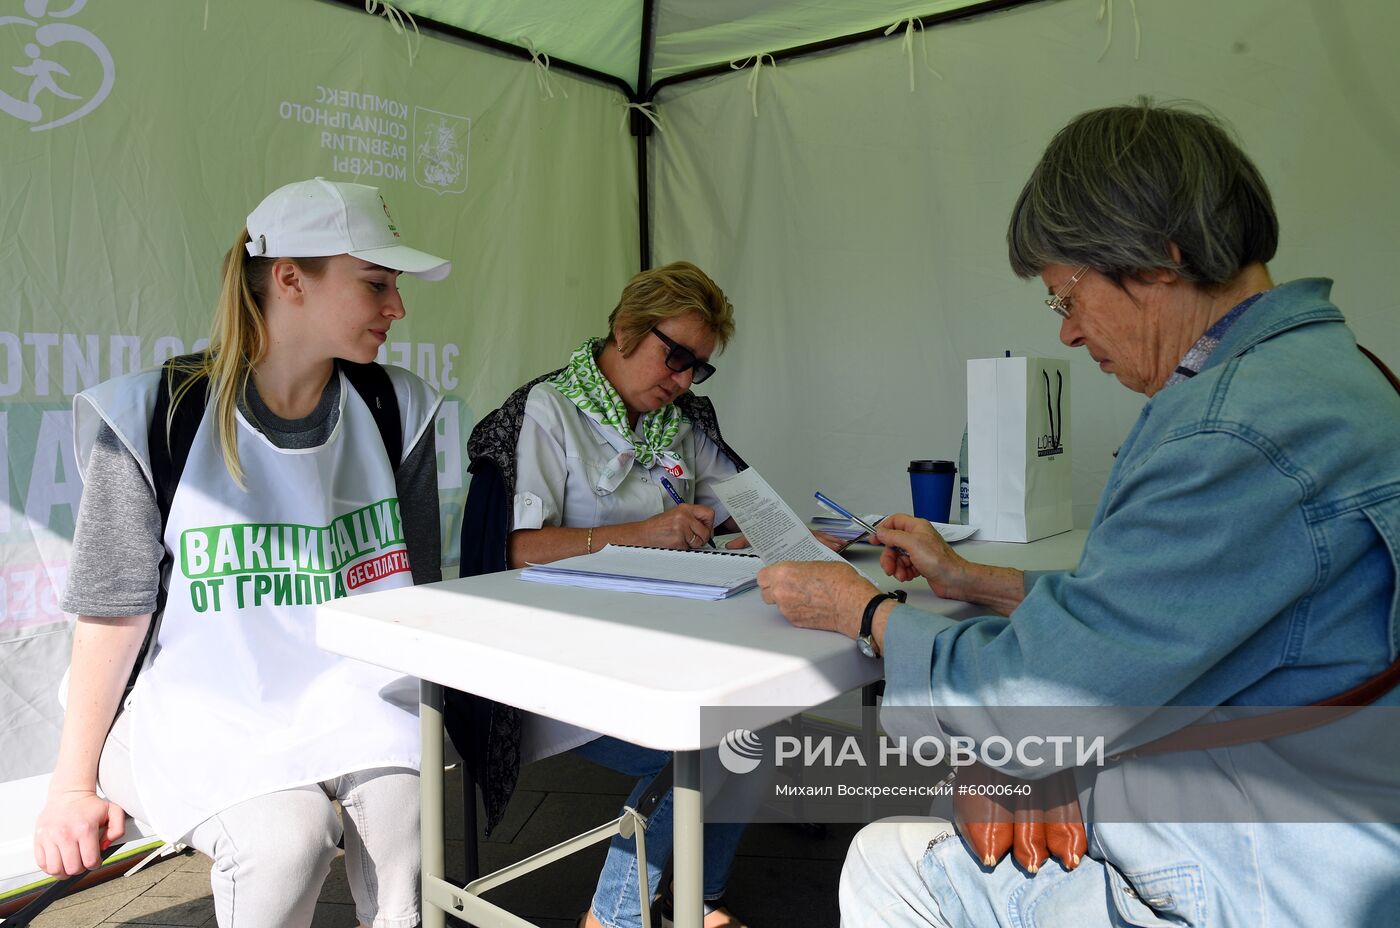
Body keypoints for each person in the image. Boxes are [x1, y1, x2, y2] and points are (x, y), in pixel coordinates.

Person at [757, 99, 1400, 926]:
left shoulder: (1228, 430)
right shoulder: (1331, 372)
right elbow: (1166, 611)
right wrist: (972, 581)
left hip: (1273, 872)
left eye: (1066, 298)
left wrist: (864, 612)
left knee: (889, 864)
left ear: (1158, 259)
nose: (1066, 335)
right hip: (1324, 804)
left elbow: (1039, 705)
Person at [32, 177, 452, 928]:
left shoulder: (398, 409)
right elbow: (111, 615)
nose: (398, 307)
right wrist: (71, 786)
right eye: (376, 284)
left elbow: (410, 595)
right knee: (285, 841)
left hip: (347, 698)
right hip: (198, 705)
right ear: (290, 278)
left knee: (406, 816)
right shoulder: (149, 415)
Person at [455, 262, 751, 928]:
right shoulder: (548, 410)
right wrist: (646, 533)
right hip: (560, 657)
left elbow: (745, 505)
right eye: (675, 357)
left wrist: (804, 534)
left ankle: (694, 899)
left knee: (763, 724)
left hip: (660, 641)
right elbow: (515, 548)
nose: (681, 380)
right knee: (715, 743)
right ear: (624, 330)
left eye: (697, 367)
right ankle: (614, 916)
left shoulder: (680, 420)